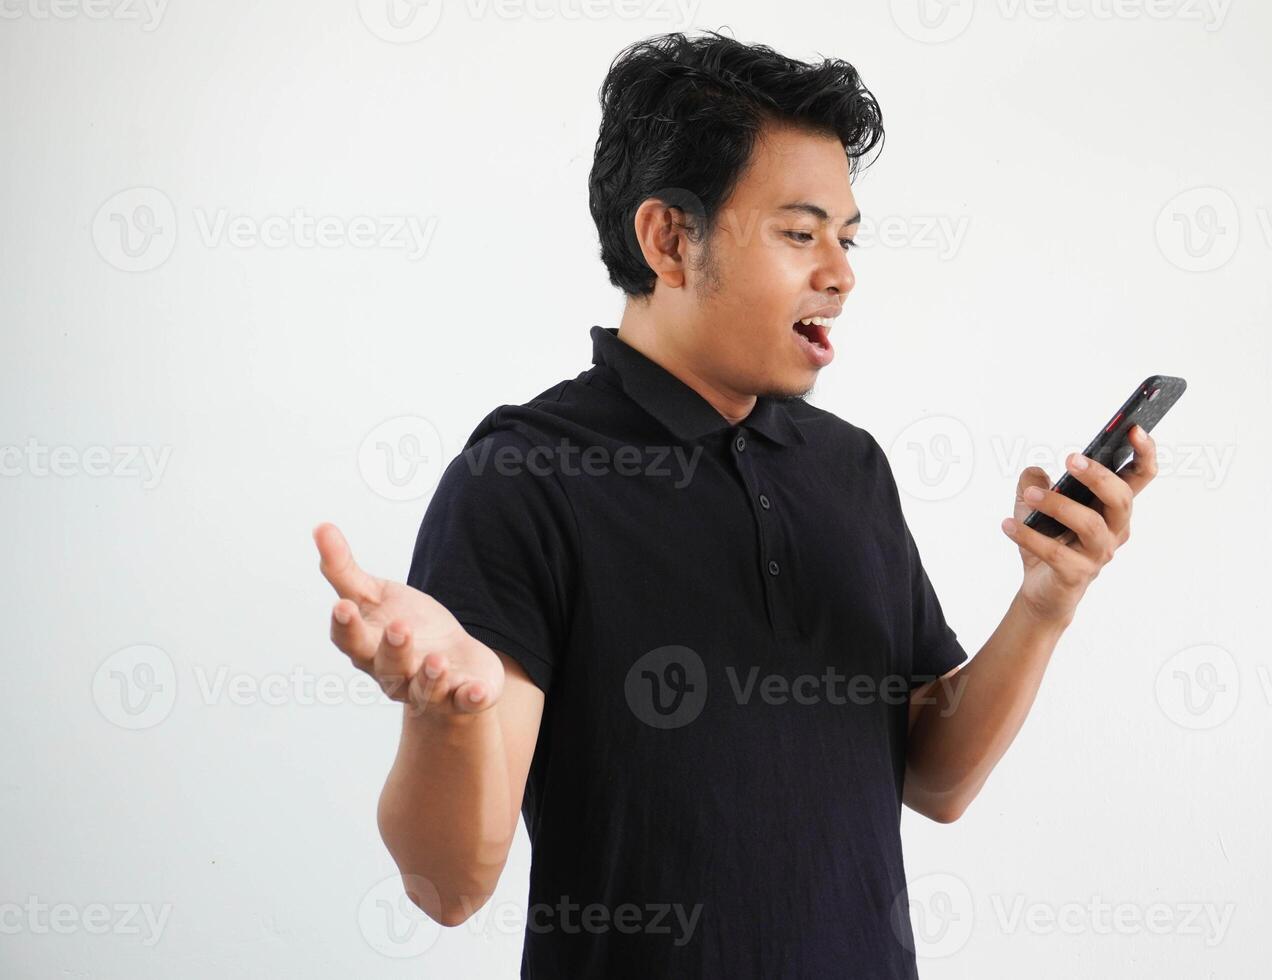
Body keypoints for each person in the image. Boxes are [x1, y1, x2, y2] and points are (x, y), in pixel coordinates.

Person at [313, 29, 1158, 978]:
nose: (840, 272)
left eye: (846, 236)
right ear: (670, 239)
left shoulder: (850, 467)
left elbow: (937, 774)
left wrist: (1045, 604)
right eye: (801, 234)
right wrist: (447, 714)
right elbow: (446, 887)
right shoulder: (523, 478)